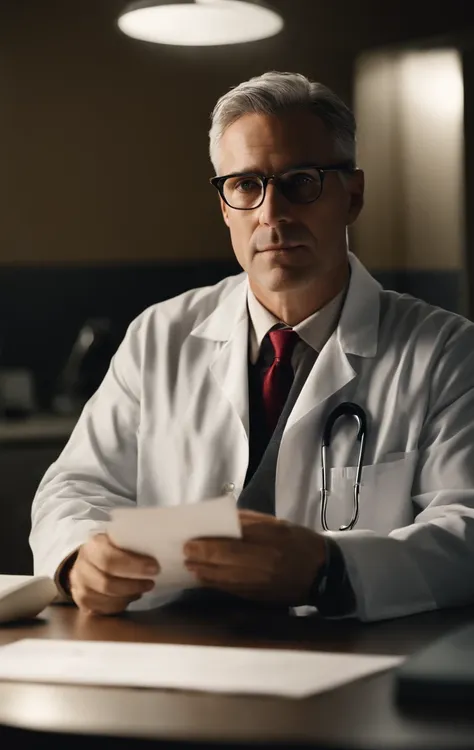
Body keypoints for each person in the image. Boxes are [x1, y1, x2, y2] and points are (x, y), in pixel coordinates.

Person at [31, 71, 474, 622]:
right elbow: (76, 485)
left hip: (353, 662)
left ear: (352, 195)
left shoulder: (447, 352)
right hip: (167, 651)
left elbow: (466, 529)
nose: (272, 213)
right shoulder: (159, 335)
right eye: (246, 185)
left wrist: (332, 568)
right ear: (224, 205)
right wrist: (78, 558)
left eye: (301, 181)